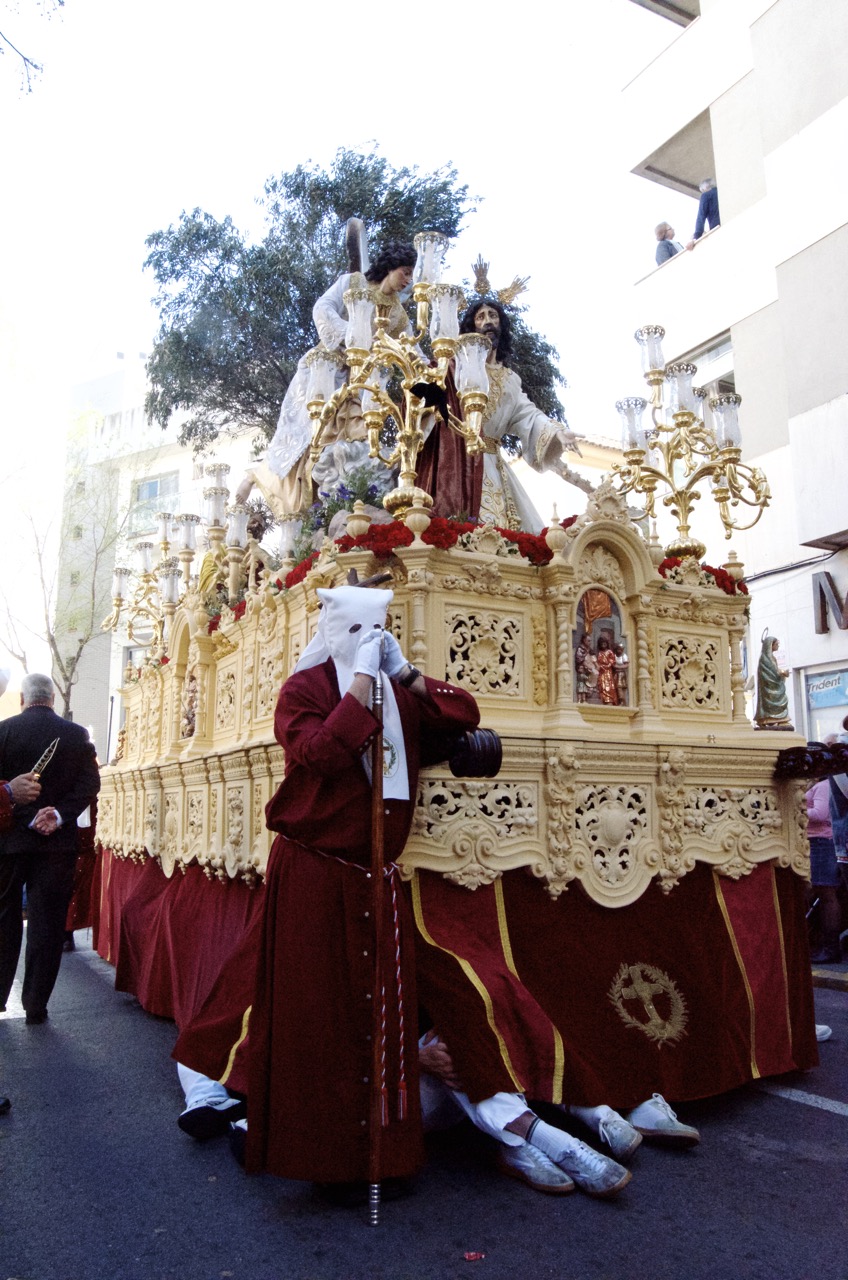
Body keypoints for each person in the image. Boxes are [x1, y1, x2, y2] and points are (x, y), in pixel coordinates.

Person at [243, 584, 480, 1192]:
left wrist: (407, 674)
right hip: (316, 874)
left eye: (376, 631)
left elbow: (464, 714)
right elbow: (319, 752)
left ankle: (385, 1154)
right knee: (321, 1015)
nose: (365, 644)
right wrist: (357, 689)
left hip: (373, 876)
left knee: (381, 1011)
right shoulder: (305, 689)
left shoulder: (395, 688)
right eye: (357, 633)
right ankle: (322, 1155)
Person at [235, 242, 417, 522]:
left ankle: (352, 501)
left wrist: (429, 367)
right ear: (390, 267)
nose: (408, 280)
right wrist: (352, 334)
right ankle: (259, 479)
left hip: (363, 385)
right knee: (305, 438)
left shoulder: (399, 315)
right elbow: (323, 307)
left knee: (359, 443)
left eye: (411, 274)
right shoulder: (352, 282)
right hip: (326, 373)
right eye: (405, 272)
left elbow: (411, 350)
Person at [417, 298, 582, 532]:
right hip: (454, 464)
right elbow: (426, 401)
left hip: (492, 463)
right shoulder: (455, 368)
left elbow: (528, 414)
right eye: (481, 317)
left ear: (501, 325)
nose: (488, 322)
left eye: (493, 316)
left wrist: (557, 432)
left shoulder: (510, 379)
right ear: (471, 327)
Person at [0, 673, 100, 1024]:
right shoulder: (76, 736)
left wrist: (25, 815)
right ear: (53, 699)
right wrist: (57, 814)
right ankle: (36, 1004)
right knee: (47, 922)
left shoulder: (4, 731)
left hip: (9, 841)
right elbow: (91, 783)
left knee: (4, 917)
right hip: (56, 844)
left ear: (24, 699)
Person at [806, 774, 842, 963]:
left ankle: (830, 948)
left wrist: (796, 808)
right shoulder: (823, 784)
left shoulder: (823, 785)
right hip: (821, 840)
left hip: (821, 841)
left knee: (826, 892)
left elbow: (820, 813)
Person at [754, 634, 793, 729]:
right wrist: (783, 672)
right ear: (770, 645)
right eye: (776, 644)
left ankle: (777, 718)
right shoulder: (765, 658)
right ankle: (769, 717)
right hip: (769, 685)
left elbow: (774, 670)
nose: (778, 646)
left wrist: (782, 673)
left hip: (773, 684)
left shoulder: (770, 657)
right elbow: (772, 672)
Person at [686, 178, 720, 249]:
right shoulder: (722, 191)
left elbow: (701, 216)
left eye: (702, 191)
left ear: (706, 188)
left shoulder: (706, 195)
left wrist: (696, 237)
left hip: (717, 228)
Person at [596, 636, 619, 706]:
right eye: (602, 644)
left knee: (608, 686)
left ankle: (610, 700)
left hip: (608, 672)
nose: (603, 645)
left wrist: (606, 666)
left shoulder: (609, 652)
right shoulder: (599, 653)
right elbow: (598, 662)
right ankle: (603, 700)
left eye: (604, 643)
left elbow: (612, 662)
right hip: (601, 672)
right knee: (601, 686)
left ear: (606, 644)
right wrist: (599, 666)